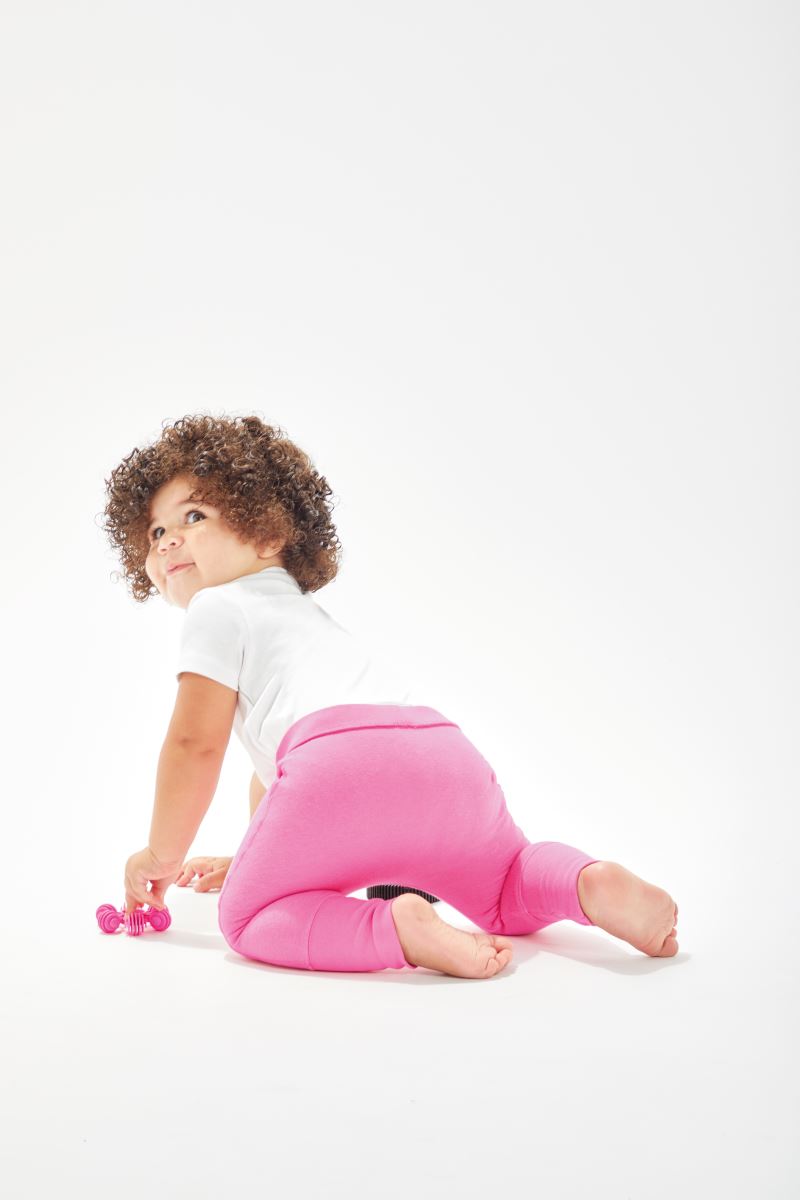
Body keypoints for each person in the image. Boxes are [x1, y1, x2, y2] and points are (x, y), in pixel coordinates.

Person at [103, 413, 679, 978]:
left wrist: (162, 855)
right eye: (154, 533)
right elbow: (275, 771)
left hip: (338, 768)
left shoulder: (215, 607)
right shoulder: (303, 617)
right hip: (443, 755)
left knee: (248, 918)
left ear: (267, 531)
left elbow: (194, 745)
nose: (168, 540)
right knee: (506, 887)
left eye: (193, 516)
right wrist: (258, 857)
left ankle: (397, 927)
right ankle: (585, 883)